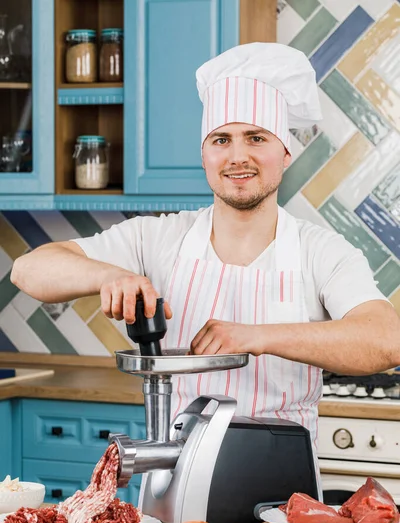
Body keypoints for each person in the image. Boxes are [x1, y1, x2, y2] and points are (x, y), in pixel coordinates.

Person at [11, 43, 400, 496]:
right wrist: (105, 275)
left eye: (256, 138)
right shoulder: (156, 238)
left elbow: (386, 340)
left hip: (285, 492)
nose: (238, 156)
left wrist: (256, 336)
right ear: (204, 155)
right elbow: (28, 270)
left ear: (285, 152)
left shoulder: (321, 251)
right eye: (222, 140)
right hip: (175, 480)